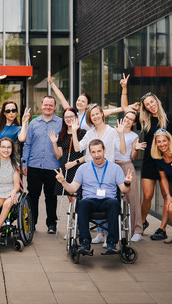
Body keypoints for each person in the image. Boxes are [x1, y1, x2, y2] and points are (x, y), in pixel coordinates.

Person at [121, 75, 172, 235]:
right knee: (147, 196)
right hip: (149, 162)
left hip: (167, 162)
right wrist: (124, 88)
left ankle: (162, 228)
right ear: (145, 107)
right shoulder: (144, 119)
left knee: (166, 196)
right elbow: (125, 108)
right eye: (147, 104)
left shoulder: (171, 118)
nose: (151, 106)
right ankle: (141, 223)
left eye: (152, 102)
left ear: (157, 101)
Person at [55, 139, 134, 254]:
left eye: (99, 151)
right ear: (90, 153)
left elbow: (125, 190)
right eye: (93, 152)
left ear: (104, 150)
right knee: (81, 203)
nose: (97, 155)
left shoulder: (115, 168)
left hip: (108, 201)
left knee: (114, 203)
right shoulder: (83, 168)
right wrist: (63, 182)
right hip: (89, 201)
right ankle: (85, 242)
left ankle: (111, 243)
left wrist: (127, 183)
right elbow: (72, 189)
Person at [74, 104, 127, 244]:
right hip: (91, 171)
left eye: (97, 113)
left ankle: (108, 235)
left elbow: (122, 150)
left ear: (102, 114)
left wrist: (121, 134)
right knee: (92, 196)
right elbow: (77, 148)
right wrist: (74, 131)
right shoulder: (89, 133)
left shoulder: (112, 132)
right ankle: (100, 233)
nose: (95, 117)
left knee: (108, 199)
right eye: (92, 115)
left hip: (108, 171)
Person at [22, 95, 63, 234]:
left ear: (55, 106)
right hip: (34, 165)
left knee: (51, 196)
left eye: (51, 105)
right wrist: (24, 162)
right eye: (45, 105)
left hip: (53, 166)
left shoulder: (61, 123)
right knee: (33, 196)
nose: (48, 107)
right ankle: (32, 224)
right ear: (41, 105)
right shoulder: (33, 123)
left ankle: (51, 224)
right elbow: (27, 144)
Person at [48, 72, 129, 131]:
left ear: (87, 105)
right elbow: (62, 98)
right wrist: (51, 83)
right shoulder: (73, 115)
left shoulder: (91, 115)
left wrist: (130, 107)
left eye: (83, 101)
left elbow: (112, 111)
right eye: (78, 100)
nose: (79, 102)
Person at [114, 110, 147, 242]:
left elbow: (133, 157)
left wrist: (136, 148)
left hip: (126, 166)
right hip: (113, 166)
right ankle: (111, 230)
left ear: (133, 123)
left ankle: (137, 230)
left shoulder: (134, 136)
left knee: (132, 199)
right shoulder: (114, 131)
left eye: (131, 119)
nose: (127, 120)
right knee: (113, 198)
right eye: (126, 117)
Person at [48, 107, 87, 202]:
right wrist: (54, 143)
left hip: (78, 167)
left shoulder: (82, 133)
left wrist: (74, 163)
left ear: (76, 117)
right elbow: (58, 155)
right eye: (66, 117)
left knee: (77, 196)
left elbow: (88, 155)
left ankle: (77, 211)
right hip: (66, 167)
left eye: (71, 116)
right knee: (70, 197)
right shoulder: (62, 134)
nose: (69, 119)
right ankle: (73, 211)